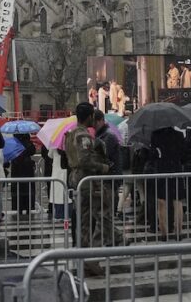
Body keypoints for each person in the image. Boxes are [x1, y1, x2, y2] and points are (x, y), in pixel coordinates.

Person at [65, 103, 122, 275]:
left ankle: (85, 256)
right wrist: (103, 167)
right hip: (88, 182)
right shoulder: (83, 136)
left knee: (85, 221)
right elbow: (85, 161)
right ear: (89, 116)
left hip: (79, 180)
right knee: (102, 217)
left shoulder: (71, 134)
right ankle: (94, 255)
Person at [151, 127, 187, 240]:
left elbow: (153, 155)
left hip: (162, 170)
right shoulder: (179, 135)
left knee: (162, 202)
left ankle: (164, 232)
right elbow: (183, 156)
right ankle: (178, 232)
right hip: (176, 170)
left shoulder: (155, 135)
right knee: (177, 201)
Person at [94, 110, 122, 213]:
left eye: (96, 122)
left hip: (109, 179)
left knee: (107, 212)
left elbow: (103, 156)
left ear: (101, 121)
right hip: (105, 179)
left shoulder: (108, 136)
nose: (94, 125)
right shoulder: (100, 135)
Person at [10, 133, 36, 215]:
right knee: (28, 189)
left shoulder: (14, 143)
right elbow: (33, 151)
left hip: (16, 167)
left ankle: (19, 208)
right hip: (27, 168)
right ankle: (28, 207)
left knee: (18, 189)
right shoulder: (28, 143)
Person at [48, 148, 68, 220]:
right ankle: (68, 215)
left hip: (57, 172)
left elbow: (50, 155)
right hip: (67, 171)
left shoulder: (54, 143)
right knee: (68, 196)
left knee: (57, 195)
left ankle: (59, 215)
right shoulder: (69, 143)